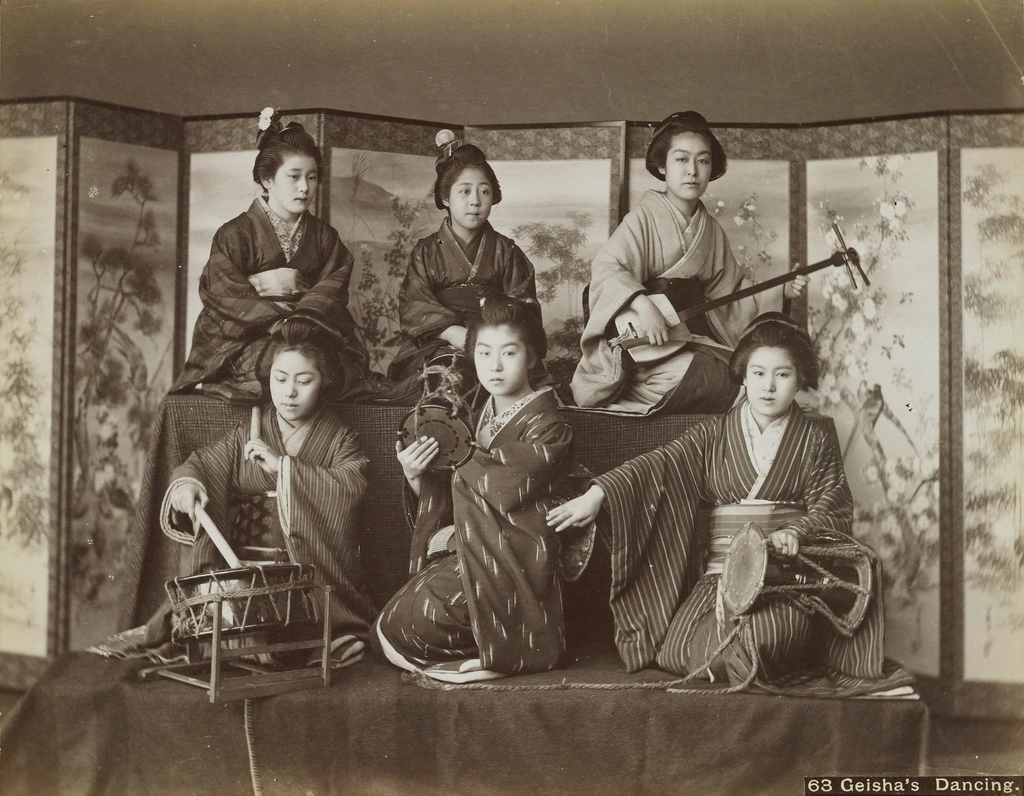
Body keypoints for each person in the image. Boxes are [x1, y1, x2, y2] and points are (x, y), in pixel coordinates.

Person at [549, 314, 905, 695]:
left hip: (785, 581)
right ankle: (754, 654)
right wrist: (597, 494)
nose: (768, 387)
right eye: (758, 374)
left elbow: (833, 503)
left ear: (801, 379)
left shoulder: (816, 436)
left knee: (763, 637)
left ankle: (781, 643)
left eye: (782, 375)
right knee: (686, 651)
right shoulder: (714, 433)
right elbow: (659, 465)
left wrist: (797, 531)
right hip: (720, 579)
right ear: (743, 376)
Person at [375, 297, 591, 683]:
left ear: (532, 357)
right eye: (484, 352)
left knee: (412, 624)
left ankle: (507, 650)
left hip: (519, 558)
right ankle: (488, 644)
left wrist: (456, 459)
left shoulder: (550, 425)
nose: (494, 366)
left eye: (509, 353)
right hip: (478, 548)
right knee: (393, 623)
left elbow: (502, 489)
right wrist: (417, 474)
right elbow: (457, 487)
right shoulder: (479, 414)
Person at [153, 321, 377, 661]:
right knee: (212, 611)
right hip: (241, 564)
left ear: (324, 382)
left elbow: (350, 485)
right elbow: (203, 463)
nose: (289, 392)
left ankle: (297, 647)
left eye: (304, 381)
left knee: (294, 620)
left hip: (305, 569)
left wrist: (283, 468)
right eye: (279, 378)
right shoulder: (249, 431)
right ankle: (270, 650)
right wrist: (187, 484)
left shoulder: (340, 439)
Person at [570, 111, 809, 415]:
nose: (692, 171)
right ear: (661, 165)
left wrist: (781, 290)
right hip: (646, 348)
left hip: (684, 338)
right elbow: (608, 269)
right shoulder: (642, 218)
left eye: (703, 161)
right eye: (681, 160)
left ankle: (652, 401)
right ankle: (627, 398)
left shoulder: (710, 230)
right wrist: (644, 305)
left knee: (738, 376)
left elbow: (731, 291)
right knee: (710, 379)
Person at [172, 108, 375, 403]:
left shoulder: (324, 237)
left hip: (309, 329)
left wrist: (300, 320)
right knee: (272, 368)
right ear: (267, 180)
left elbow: (332, 286)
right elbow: (220, 288)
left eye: (312, 177)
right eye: (294, 177)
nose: (305, 187)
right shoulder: (235, 233)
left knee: (333, 371)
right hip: (249, 334)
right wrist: (272, 320)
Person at [387, 134, 543, 404]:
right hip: (440, 341)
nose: (475, 200)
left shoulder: (507, 251)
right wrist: (453, 333)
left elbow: (523, 305)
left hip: (496, 342)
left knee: (538, 390)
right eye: (465, 191)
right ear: (445, 197)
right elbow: (415, 303)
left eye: (484, 191)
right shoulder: (426, 251)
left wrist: (486, 334)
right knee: (443, 377)